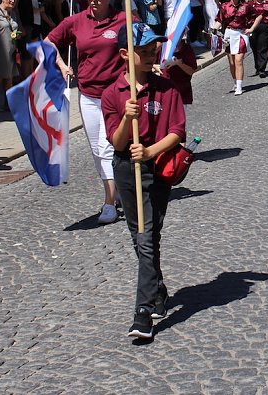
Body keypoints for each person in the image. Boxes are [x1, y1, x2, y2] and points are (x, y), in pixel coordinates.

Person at [101, 22, 185, 339]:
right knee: (142, 238)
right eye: (145, 50)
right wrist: (127, 116)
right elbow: (118, 143)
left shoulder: (167, 89)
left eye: (154, 49)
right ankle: (157, 292)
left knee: (148, 236)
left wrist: (150, 150)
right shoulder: (113, 94)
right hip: (127, 169)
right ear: (125, 54)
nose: (153, 54)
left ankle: (143, 312)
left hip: (158, 166)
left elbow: (178, 131)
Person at [46, 0, 128, 224]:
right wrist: (60, 64)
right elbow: (49, 41)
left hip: (118, 94)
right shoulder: (77, 21)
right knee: (98, 148)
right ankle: (115, 193)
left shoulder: (124, 20)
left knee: (113, 145)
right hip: (89, 94)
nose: (93, 0)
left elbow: (145, 46)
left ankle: (111, 199)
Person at [215, 0, 260, 96]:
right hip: (229, 34)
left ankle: (239, 86)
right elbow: (219, 20)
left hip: (241, 34)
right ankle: (235, 82)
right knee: (231, 62)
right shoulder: (224, 6)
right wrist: (213, 29)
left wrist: (251, 29)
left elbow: (258, 16)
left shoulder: (246, 6)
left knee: (238, 61)